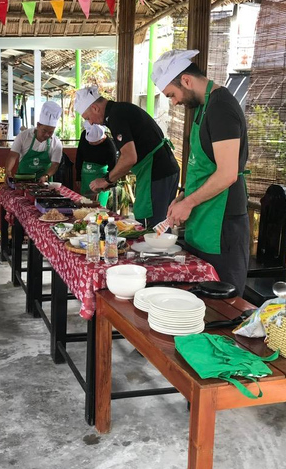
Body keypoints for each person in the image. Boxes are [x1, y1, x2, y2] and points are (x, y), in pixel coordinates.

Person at [152, 49, 250, 292]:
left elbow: (228, 173)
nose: (173, 102)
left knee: (224, 304)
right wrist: (185, 196)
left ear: (186, 80)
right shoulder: (202, 108)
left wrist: (189, 202)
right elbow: (205, 167)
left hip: (222, 224)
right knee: (197, 299)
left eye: (172, 95)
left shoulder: (221, 107)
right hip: (203, 218)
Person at [75, 85, 180, 227]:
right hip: (163, 169)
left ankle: (157, 250)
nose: (90, 123)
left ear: (95, 108)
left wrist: (107, 180)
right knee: (160, 224)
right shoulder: (119, 110)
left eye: (88, 118)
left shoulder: (116, 116)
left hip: (156, 172)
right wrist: (112, 180)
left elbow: (129, 157)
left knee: (154, 226)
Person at [4, 101, 63, 183]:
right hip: (22, 181)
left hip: (44, 183)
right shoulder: (23, 136)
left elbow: (55, 164)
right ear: (38, 125)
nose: (46, 135)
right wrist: (8, 171)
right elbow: (13, 156)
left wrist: (46, 176)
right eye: (44, 131)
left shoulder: (56, 143)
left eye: (50, 132)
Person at [75, 121, 117, 207]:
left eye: (94, 142)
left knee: (99, 208)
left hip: (100, 178)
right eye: (89, 141)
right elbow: (79, 155)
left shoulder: (110, 147)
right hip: (85, 176)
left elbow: (114, 170)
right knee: (84, 205)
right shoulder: (84, 135)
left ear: (102, 139)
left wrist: (106, 183)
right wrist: (78, 176)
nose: (90, 143)